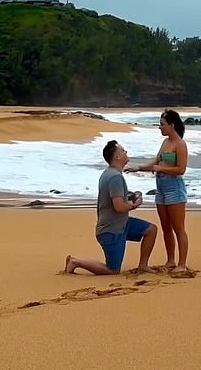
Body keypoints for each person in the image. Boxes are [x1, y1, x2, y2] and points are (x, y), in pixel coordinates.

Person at [64, 140, 157, 275]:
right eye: (123, 151)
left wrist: (133, 195)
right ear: (117, 156)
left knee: (151, 230)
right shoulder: (114, 177)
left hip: (122, 224)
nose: (126, 153)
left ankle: (143, 265)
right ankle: (76, 262)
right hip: (111, 231)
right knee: (113, 270)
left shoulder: (111, 174)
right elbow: (119, 206)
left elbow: (116, 196)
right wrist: (133, 205)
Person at [125, 109, 189, 274]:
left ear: (171, 125)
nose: (160, 127)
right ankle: (171, 260)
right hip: (161, 190)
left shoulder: (180, 144)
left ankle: (182, 264)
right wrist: (139, 167)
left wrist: (160, 168)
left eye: (162, 124)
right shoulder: (166, 142)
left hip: (174, 190)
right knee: (165, 227)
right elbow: (156, 161)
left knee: (178, 228)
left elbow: (181, 169)